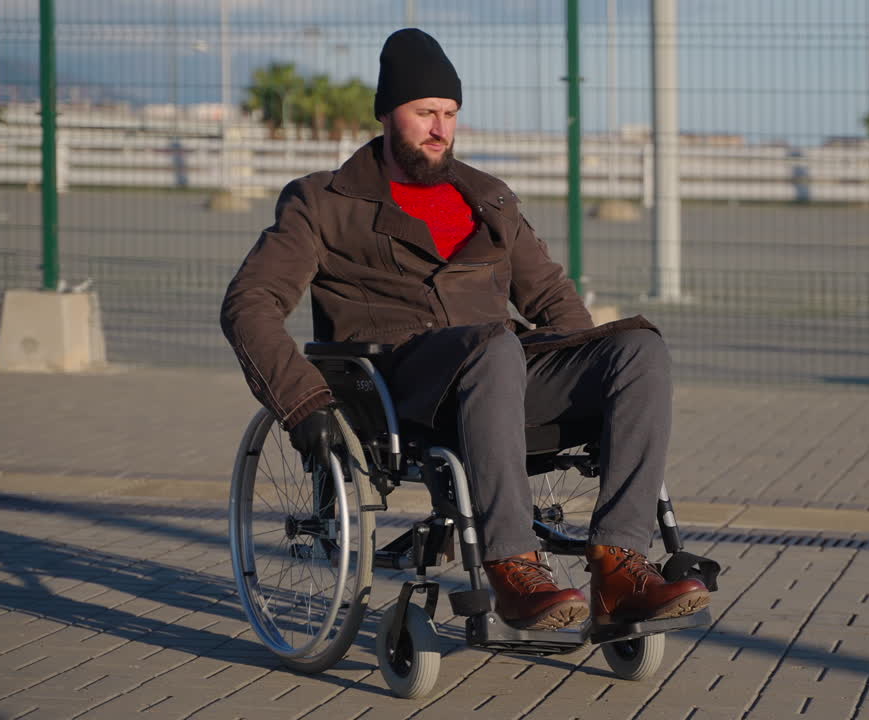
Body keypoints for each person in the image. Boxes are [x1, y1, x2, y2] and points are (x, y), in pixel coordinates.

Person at [221, 28, 709, 631]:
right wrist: (302, 402)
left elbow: (553, 300)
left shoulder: (489, 199)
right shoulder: (323, 202)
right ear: (386, 114)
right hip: (403, 387)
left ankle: (619, 565)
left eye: (450, 114)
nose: (440, 129)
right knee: (495, 347)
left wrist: (585, 376)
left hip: (501, 374)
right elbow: (250, 302)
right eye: (425, 112)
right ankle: (513, 566)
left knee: (637, 348)